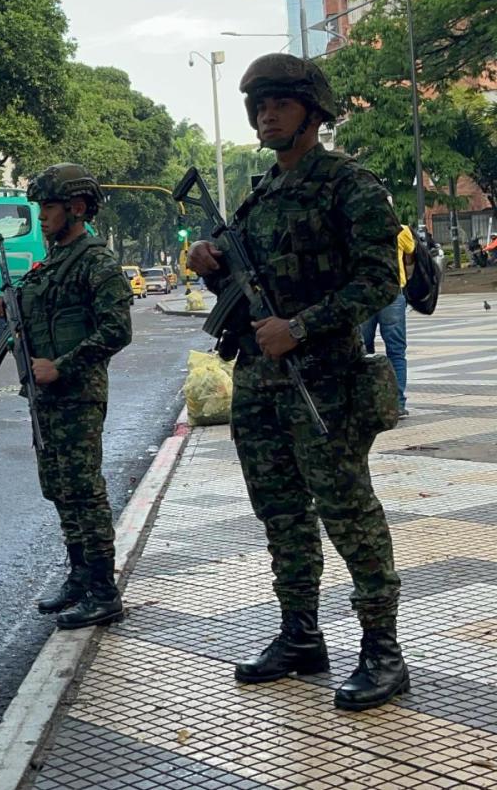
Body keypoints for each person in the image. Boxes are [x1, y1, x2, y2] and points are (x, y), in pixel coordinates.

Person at [187, 53, 406, 711]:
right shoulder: (257, 197)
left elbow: (381, 279)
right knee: (280, 511)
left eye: (279, 102)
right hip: (260, 381)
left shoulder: (350, 186)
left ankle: (383, 652)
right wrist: (208, 266)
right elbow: (242, 289)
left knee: (349, 513)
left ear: (313, 111)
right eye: (258, 105)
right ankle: (300, 635)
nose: (265, 114)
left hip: (325, 380)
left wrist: (302, 327)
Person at [0, 163, 133, 629]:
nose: (42, 215)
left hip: (77, 394)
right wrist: (4, 305)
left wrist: (62, 366)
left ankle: (104, 591)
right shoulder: (50, 262)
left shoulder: (96, 261)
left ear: (77, 207)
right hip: (44, 397)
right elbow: (36, 310)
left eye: (48, 207)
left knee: (85, 491)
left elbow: (117, 330)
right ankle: (79, 576)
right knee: (59, 489)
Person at [360, 206, 414, 417]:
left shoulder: (359, 231)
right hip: (392, 295)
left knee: (361, 351)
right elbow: (410, 257)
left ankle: (366, 403)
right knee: (396, 352)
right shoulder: (401, 230)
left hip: (365, 296)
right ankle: (398, 404)